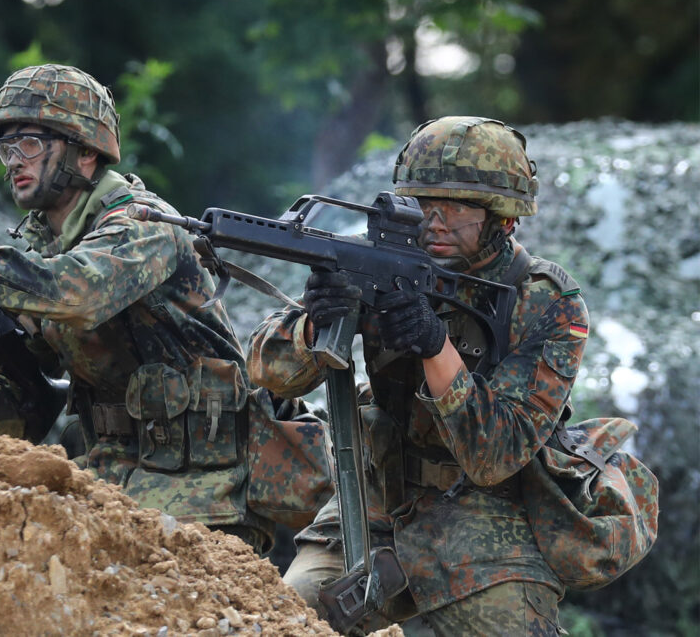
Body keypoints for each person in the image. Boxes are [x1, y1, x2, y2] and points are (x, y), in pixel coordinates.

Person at [0, 63, 272, 552]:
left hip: (206, 496)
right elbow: (23, 418)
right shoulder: (45, 259)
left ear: (85, 152)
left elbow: (78, 294)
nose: (13, 161)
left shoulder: (145, 226)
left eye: (31, 144)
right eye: (6, 146)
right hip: (110, 485)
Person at [247, 117, 588, 634]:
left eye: (459, 206)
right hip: (376, 503)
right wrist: (318, 319)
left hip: (487, 521)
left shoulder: (543, 301)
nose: (436, 222)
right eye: (424, 204)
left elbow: (496, 455)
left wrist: (436, 347)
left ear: (505, 218)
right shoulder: (379, 260)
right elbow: (268, 372)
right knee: (286, 621)